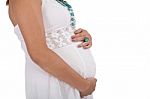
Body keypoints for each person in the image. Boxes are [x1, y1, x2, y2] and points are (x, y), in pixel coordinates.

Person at [6, 0, 97, 99]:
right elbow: (38, 53)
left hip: (73, 84)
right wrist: (84, 86)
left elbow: (54, 33)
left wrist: (81, 37)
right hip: (55, 82)